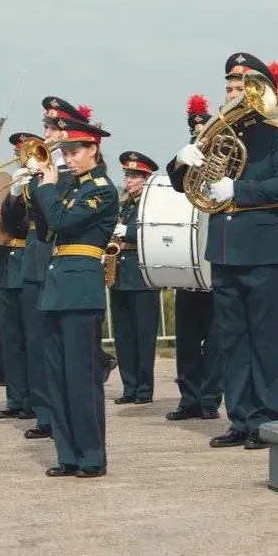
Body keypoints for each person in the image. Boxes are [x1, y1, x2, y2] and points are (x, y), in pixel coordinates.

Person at [169, 54, 278, 449]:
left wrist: (238, 191)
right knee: (232, 339)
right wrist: (180, 160)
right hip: (225, 250)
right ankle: (240, 419)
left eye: (241, 87)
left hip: (264, 250)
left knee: (266, 338)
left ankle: (265, 419)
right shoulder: (214, 134)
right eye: (229, 87)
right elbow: (185, 184)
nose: (233, 94)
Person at [30, 112, 117, 477]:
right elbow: (42, 231)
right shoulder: (69, 187)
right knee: (57, 378)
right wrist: (33, 188)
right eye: (64, 151)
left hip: (81, 288)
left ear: (92, 148)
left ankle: (91, 455)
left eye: (74, 150)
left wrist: (48, 189)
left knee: (80, 376)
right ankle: (67, 453)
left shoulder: (102, 188)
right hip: (57, 286)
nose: (67, 157)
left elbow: (64, 222)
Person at [163, 95, 222, 421]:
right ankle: (189, 398)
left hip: (213, 254)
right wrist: (177, 161)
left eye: (203, 124)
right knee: (186, 337)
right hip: (188, 255)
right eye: (195, 126)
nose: (199, 129)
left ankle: (210, 398)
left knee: (215, 338)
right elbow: (172, 186)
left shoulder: (223, 158)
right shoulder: (189, 158)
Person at [108, 151, 160, 405]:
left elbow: (153, 229)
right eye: (127, 175)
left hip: (141, 273)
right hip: (119, 272)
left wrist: (126, 231)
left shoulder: (150, 203)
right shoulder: (124, 203)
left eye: (134, 176)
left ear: (146, 178)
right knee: (124, 334)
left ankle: (144, 389)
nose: (129, 180)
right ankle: (129, 386)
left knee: (143, 334)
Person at [0, 132, 36, 420]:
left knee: (31, 338)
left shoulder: (44, 183)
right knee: (11, 339)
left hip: (28, 262)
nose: (18, 155)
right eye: (17, 151)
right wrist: (15, 193)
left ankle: (33, 399)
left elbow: (25, 225)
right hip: (8, 267)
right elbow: (5, 220)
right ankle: (16, 397)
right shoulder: (16, 183)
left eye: (23, 151)